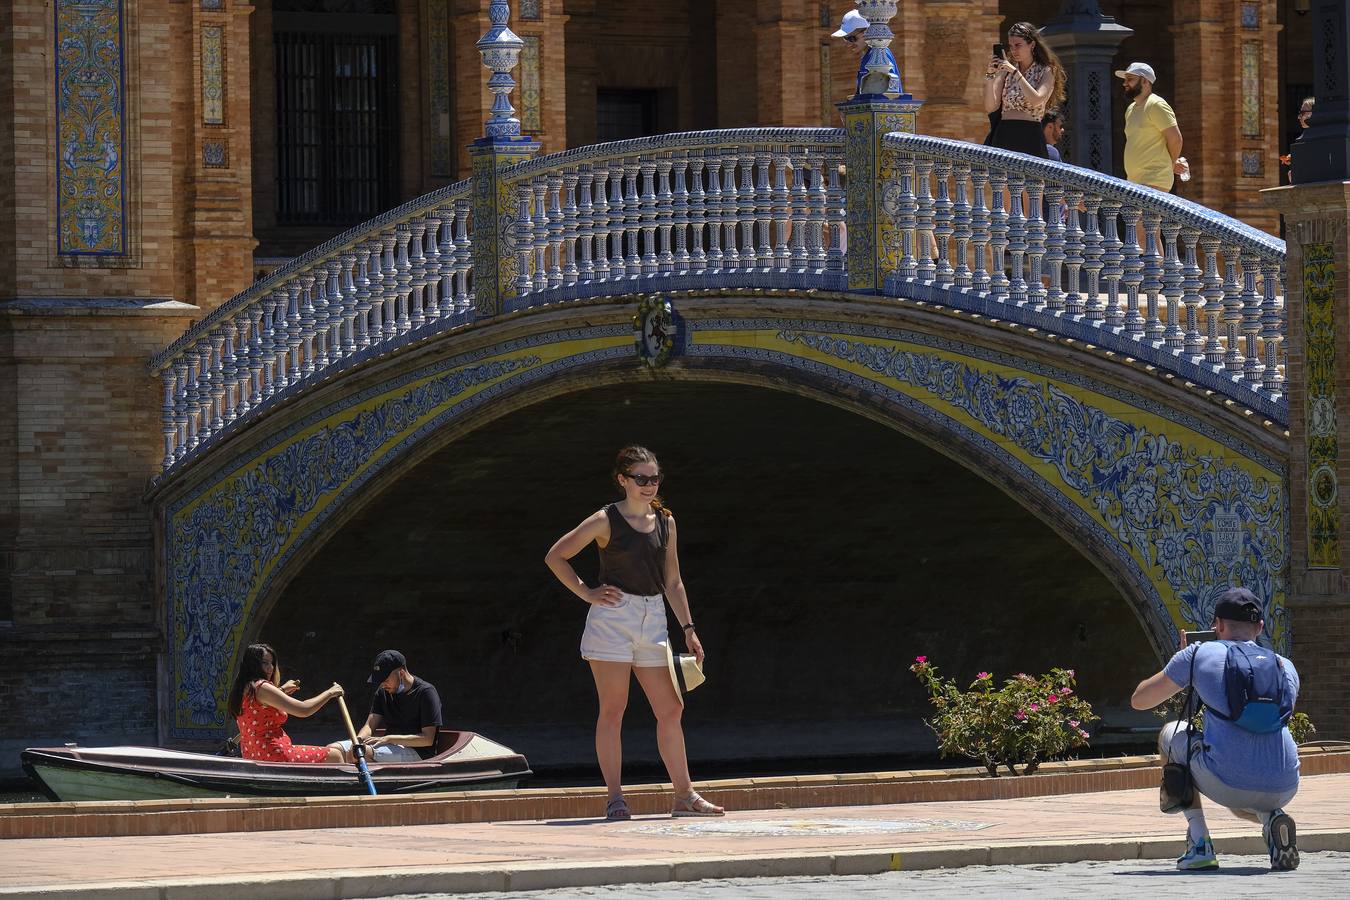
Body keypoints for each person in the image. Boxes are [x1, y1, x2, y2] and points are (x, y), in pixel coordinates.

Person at [545, 445, 723, 820]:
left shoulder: (666, 522)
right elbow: (556, 555)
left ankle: (684, 796)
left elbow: (674, 582)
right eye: (640, 479)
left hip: (654, 616)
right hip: (613, 618)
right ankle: (615, 798)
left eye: (654, 478)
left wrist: (689, 628)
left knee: (671, 707)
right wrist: (587, 592)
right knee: (613, 709)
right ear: (623, 480)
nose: (649, 485)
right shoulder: (605, 520)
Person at [1130, 587, 1301, 872]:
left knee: (1171, 733)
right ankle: (1272, 818)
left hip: (1227, 781)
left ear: (1217, 625)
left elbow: (1140, 701)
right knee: (1244, 796)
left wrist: (1184, 662)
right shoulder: (1286, 666)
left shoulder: (1199, 655)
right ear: (1259, 627)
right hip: (1285, 784)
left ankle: (1200, 846)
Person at [227, 642, 346, 763]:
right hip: (274, 754)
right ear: (253, 664)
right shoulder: (262, 687)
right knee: (335, 755)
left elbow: (259, 708)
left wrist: (282, 690)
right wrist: (330, 692)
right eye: (265, 663)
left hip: (252, 755)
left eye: (272, 663)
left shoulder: (243, 688)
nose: (271, 668)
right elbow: (303, 709)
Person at [330, 649, 443, 762]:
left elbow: (428, 739)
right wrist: (358, 740)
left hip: (418, 752)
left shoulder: (426, 692)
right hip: (388, 744)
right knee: (333, 750)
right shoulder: (383, 692)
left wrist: (390, 738)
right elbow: (369, 725)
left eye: (385, 679)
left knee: (361, 753)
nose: (382, 684)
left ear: (401, 673)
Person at [983, 22, 1066, 158]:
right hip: (1004, 134)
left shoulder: (1046, 70)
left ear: (1032, 45)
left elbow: (1036, 100)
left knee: (1030, 179)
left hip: (1030, 136)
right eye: (1011, 46)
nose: (1014, 50)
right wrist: (991, 75)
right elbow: (990, 107)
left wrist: (1016, 73)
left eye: (1018, 45)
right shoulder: (1006, 71)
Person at [1117, 62, 1187, 193]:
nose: (1125, 83)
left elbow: (1176, 139)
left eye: (1130, 79)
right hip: (1134, 180)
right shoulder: (1131, 109)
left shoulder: (1156, 104)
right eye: (1125, 79)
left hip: (1154, 180)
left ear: (1144, 81)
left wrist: (1169, 164)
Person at [833, 8, 901, 99]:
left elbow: (885, 95)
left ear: (866, 32)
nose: (849, 44)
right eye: (845, 39)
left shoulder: (879, 53)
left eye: (852, 39)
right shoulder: (868, 55)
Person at [1281, 96, 1314, 184]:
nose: (1299, 117)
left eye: (1302, 113)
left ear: (1313, 113)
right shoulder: (1307, 135)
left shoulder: (1321, 134)